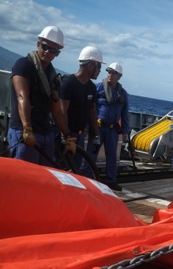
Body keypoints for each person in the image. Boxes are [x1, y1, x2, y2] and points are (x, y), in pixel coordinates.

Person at [8, 26, 75, 165]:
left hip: (46, 135)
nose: (47, 51)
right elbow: (22, 97)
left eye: (53, 49)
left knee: (45, 178)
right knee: (25, 177)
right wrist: (27, 128)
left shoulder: (52, 75)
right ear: (38, 44)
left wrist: (68, 136)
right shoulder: (23, 65)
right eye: (45, 46)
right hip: (25, 133)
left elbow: (56, 111)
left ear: (58, 53)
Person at [83, 62, 130, 191]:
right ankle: (86, 176)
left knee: (112, 156)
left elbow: (125, 113)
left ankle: (111, 181)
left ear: (119, 76)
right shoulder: (98, 88)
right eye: (109, 72)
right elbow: (90, 108)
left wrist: (125, 131)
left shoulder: (123, 94)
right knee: (91, 153)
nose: (110, 74)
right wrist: (88, 125)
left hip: (112, 130)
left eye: (113, 73)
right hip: (98, 127)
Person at [59, 46, 102, 170]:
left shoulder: (91, 88)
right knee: (63, 168)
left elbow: (92, 112)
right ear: (90, 66)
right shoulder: (68, 83)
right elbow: (62, 112)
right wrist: (66, 136)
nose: (99, 71)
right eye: (98, 66)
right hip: (67, 135)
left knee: (76, 169)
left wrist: (96, 136)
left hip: (80, 136)